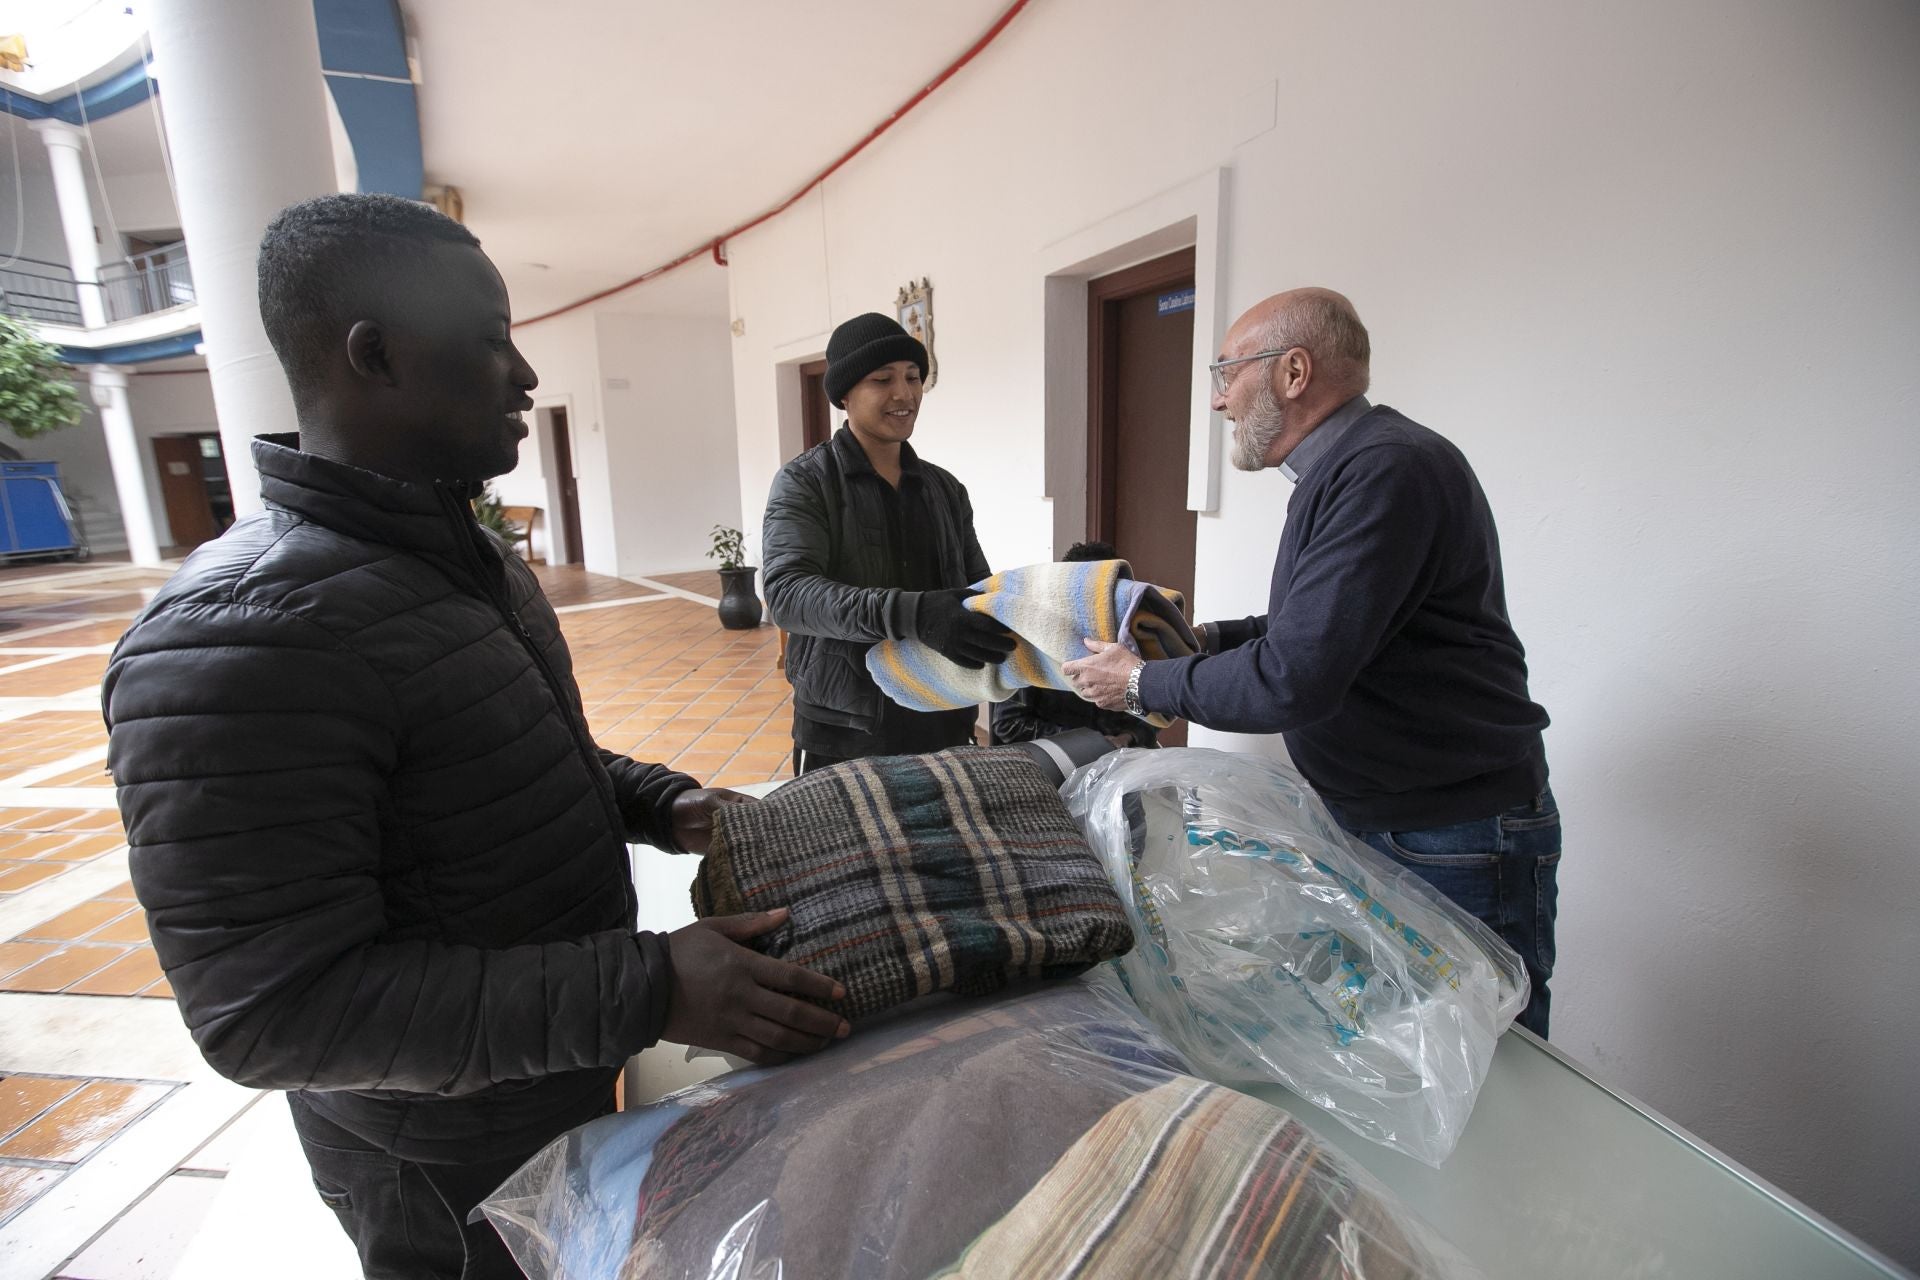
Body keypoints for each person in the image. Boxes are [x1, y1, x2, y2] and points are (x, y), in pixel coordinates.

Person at [101, 193, 848, 1280]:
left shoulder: (468, 558)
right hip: (442, 1161)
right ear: (377, 354)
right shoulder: (236, 642)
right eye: (491, 340)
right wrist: (651, 986)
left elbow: (507, 753)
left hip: (552, 1079)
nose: (526, 376)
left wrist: (658, 800)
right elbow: (275, 1010)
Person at [1064, 288, 1560, 1037]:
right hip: (1403, 820)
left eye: (1227, 373)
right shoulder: (1351, 471)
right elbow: (1320, 628)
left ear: (1293, 372)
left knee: (1489, 1066)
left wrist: (1138, 682)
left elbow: (1294, 677)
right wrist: (1206, 639)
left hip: (1452, 832)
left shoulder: (1384, 472)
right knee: (1414, 1046)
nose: (1220, 400)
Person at [763, 312, 1014, 771]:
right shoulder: (805, 482)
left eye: (914, 377)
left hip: (943, 713)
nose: (904, 394)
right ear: (844, 394)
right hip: (845, 726)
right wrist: (914, 615)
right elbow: (787, 594)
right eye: (882, 379)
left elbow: (978, 586)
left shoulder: (944, 488)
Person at [990, 540, 1160, 750]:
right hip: (1055, 764)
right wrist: (1091, 743)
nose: (1101, 602)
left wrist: (1129, 736)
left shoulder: (1135, 638)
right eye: (1089, 592)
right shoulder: (1034, 643)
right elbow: (1008, 724)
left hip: (1122, 760)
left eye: (1111, 591)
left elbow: (1154, 714)